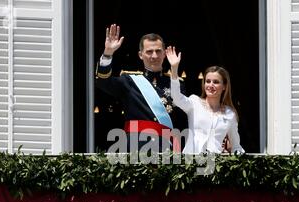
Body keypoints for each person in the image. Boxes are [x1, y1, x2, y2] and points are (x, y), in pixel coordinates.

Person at [95, 24, 188, 152]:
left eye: (158, 51)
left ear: (164, 53)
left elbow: (182, 120)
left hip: (167, 148)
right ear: (140, 55)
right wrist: (108, 53)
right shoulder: (129, 81)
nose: (154, 56)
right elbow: (102, 82)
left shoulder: (176, 83)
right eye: (149, 52)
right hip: (135, 147)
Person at [166, 46, 245, 154]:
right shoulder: (195, 103)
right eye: (208, 81)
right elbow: (176, 97)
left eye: (216, 82)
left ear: (224, 86)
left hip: (214, 166)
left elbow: (236, 146)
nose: (210, 85)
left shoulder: (230, 114)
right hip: (191, 163)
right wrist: (174, 69)